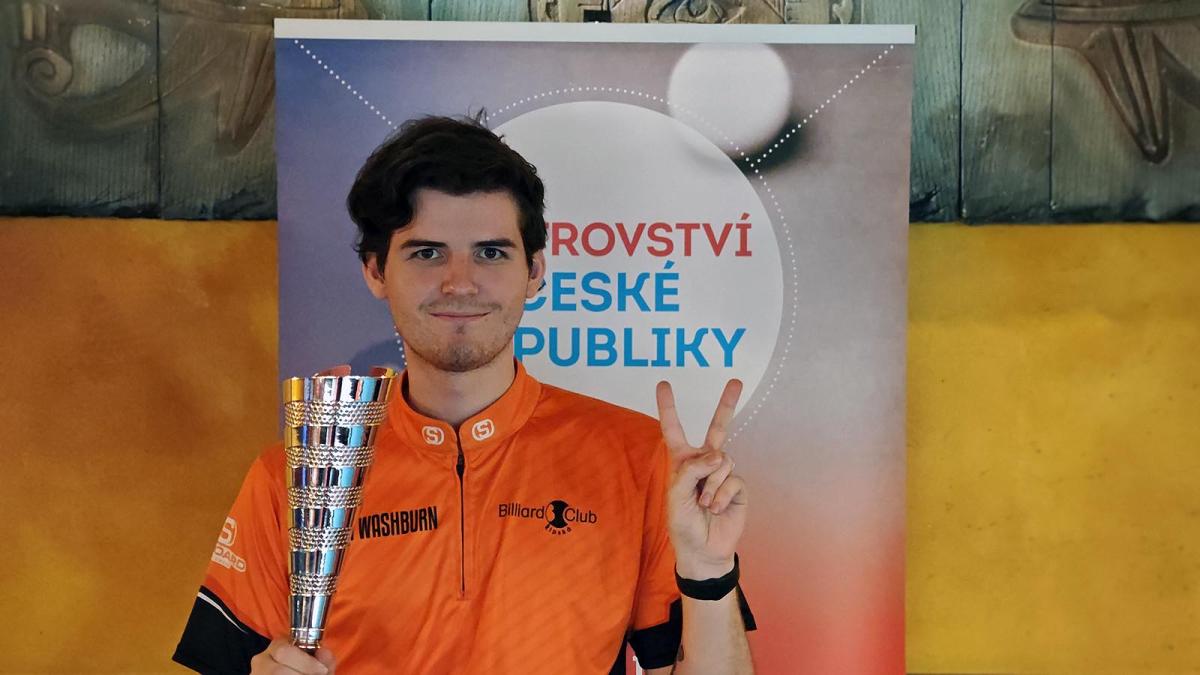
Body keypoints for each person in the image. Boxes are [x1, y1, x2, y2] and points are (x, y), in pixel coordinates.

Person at [173, 115, 756, 674]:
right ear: (375, 271)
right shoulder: (293, 477)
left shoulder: (639, 460)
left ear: (535, 271)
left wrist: (708, 572)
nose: (459, 282)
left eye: (490, 252)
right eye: (426, 253)